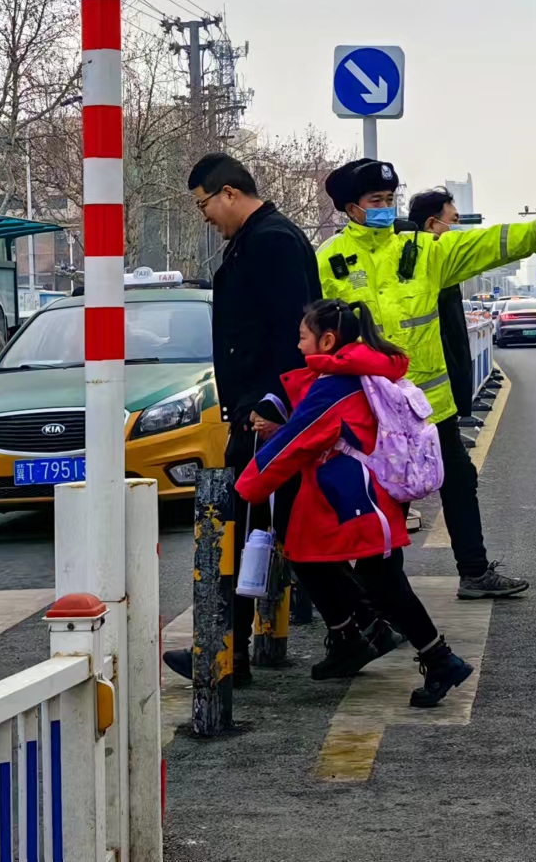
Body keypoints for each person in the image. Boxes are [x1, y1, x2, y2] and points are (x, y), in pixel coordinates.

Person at [317, 158, 536, 599]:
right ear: (351, 209)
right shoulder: (327, 261)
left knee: (459, 481)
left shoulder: (421, 249)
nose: (386, 208)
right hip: (371, 409)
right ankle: (377, 589)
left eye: (390, 199)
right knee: (386, 497)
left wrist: (531, 234)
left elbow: (475, 246)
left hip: (429, 406)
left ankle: (474, 571)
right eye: (376, 201)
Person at [235, 299, 475, 707]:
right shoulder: (359, 372)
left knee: (386, 585)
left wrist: (245, 487)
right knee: (309, 554)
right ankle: (352, 636)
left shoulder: (334, 385)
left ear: (327, 340)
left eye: (303, 337)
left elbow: (295, 441)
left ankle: (439, 659)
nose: (298, 345)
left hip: (357, 500)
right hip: (355, 494)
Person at [173, 151, 322, 685]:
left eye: (204, 205)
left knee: (243, 530)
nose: (205, 217)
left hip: (266, 415)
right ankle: (354, 626)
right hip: (257, 410)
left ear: (230, 193)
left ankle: (227, 654)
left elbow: (292, 332)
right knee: (273, 530)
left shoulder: (272, 241)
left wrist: (273, 405)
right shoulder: (257, 239)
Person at [408, 188, 478, 449]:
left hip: (439, 397)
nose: (458, 228)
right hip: (430, 399)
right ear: (431, 224)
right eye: (454, 221)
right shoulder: (420, 269)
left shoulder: (441, 266)